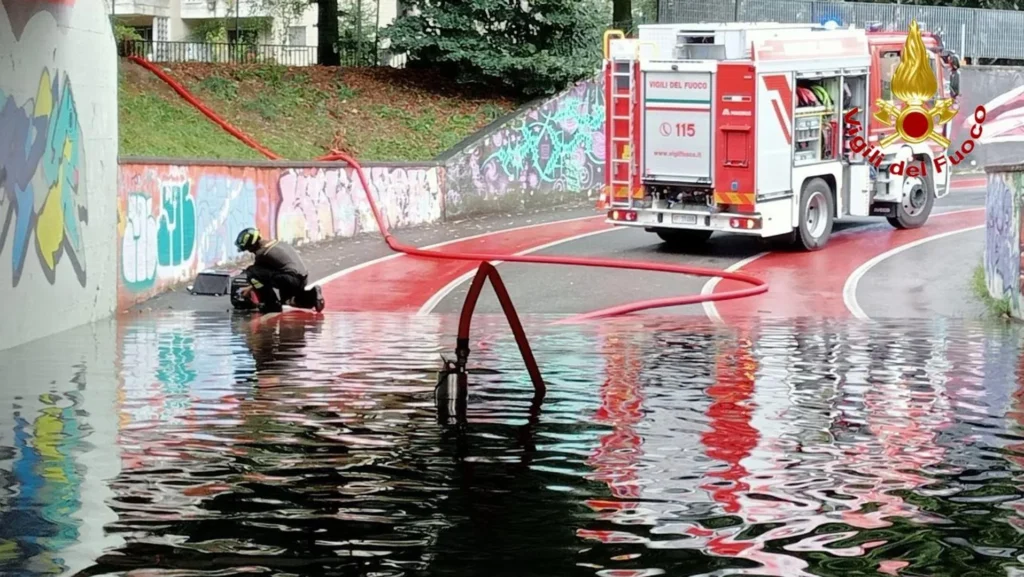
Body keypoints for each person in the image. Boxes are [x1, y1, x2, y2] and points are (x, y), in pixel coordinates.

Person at [234, 227, 325, 314]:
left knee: (251, 271)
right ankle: (313, 296)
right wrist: (250, 288)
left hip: (290, 279)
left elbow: (258, 277)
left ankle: (270, 304)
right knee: (288, 300)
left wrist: (249, 289)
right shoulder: (277, 243)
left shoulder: (262, 254)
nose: (249, 251)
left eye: (248, 249)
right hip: (302, 278)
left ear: (252, 246)